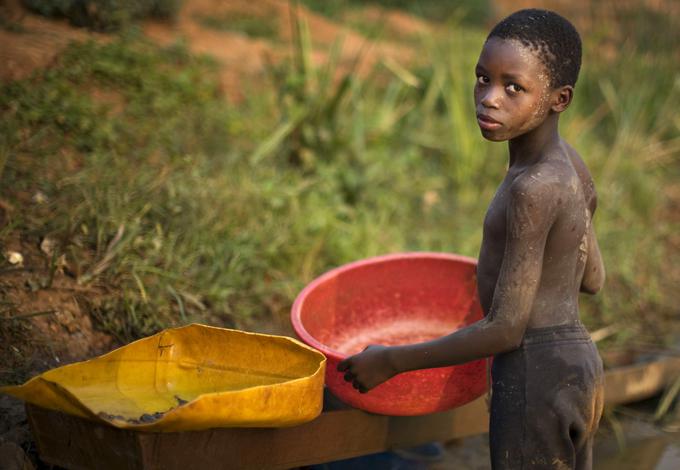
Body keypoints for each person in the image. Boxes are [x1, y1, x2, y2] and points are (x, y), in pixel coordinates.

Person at [338, 9, 606, 470]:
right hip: (580, 368)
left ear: (559, 99)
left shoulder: (531, 188)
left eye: (512, 87)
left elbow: (506, 329)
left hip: (533, 377)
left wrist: (391, 361)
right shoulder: (571, 166)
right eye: (483, 79)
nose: (488, 98)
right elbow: (595, 278)